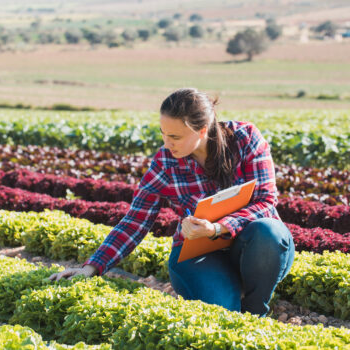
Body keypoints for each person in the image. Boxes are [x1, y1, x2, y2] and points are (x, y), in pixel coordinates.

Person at [49, 87, 295, 317]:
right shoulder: (165, 162)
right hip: (198, 255)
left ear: (202, 130)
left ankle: (255, 312)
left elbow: (265, 200)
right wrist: (92, 267)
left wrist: (219, 227)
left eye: (175, 136)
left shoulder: (245, 139)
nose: (167, 144)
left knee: (268, 231)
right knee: (223, 312)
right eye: (163, 134)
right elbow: (135, 221)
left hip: (254, 246)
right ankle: (227, 292)